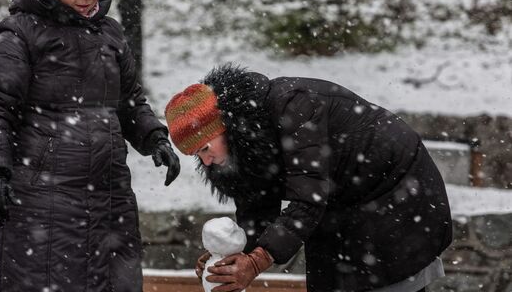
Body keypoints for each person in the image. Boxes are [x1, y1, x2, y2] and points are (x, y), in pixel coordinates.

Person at [0, 0, 180, 291]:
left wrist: (154, 137)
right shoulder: (20, 33)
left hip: (109, 197)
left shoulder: (110, 34)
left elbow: (130, 100)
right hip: (44, 199)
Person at [164, 64, 452, 292]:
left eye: (204, 148)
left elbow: (309, 199)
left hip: (396, 193)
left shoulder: (295, 108)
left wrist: (256, 261)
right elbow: (257, 207)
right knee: (330, 279)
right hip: (341, 205)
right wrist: (233, 256)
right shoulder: (241, 147)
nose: (205, 161)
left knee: (385, 282)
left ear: (226, 126)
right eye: (195, 155)